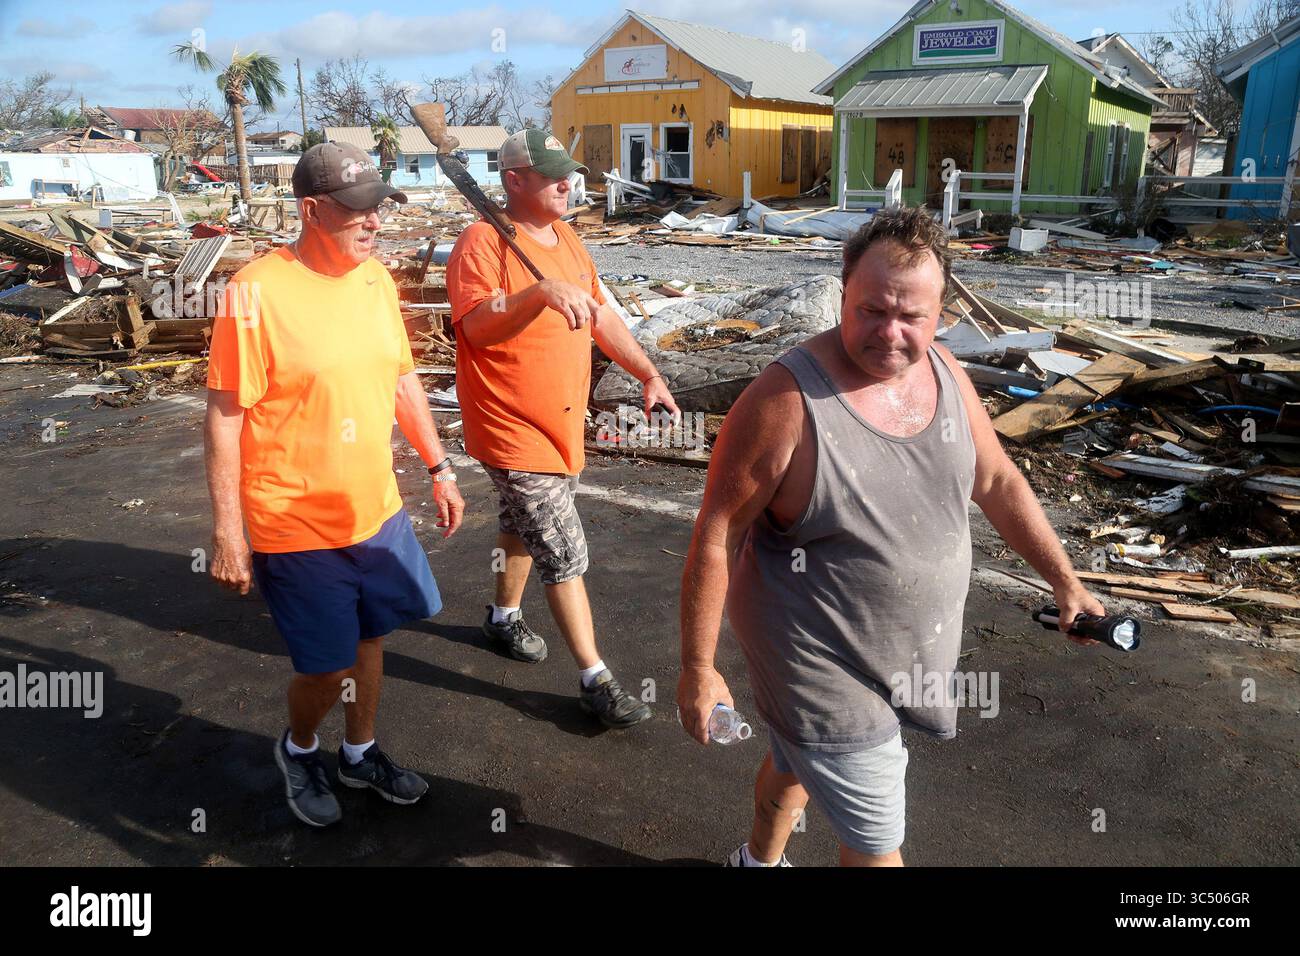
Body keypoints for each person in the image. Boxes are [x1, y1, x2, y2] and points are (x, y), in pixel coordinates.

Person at [677, 205, 1105, 866]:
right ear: (843, 293)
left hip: (905, 653)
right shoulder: (784, 403)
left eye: (913, 316)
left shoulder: (947, 374)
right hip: (818, 661)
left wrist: (1066, 581)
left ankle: (756, 863)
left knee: (794, 763)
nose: (891, 333)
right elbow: (717, 535)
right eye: (872, 310)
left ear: (943, 314)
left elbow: (996, 481)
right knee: (876, 845)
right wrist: (698, 671)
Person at [205, 142, 465, 827]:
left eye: (378, 207)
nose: (373, 221)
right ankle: (298, 748)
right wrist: (229, 532)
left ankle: (360, 751)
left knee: (372, 639)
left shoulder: (376, 279)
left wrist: (438, 466)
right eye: (356, 211)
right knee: (324, 666)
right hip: (294, 522)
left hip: (374, 512)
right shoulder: (255, 292)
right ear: (311, 211)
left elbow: (401, 376)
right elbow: (226, 417)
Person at [446, 129, 678, 728]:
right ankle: (594, 679)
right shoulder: (482, 242)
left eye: (568, 172)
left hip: (561, 425)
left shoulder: (568, 237)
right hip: (511, 426)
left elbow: (600, 314)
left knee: (520, 528)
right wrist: (537, 294)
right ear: (514, 181)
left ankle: (502, 620)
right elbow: (475, 327)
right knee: (565, 551)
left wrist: (648, 372)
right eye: (551, 174)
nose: (566, 182)